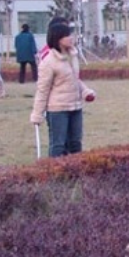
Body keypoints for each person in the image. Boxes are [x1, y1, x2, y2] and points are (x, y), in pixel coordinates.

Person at [29, 22, 96, 158]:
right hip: (58, 109)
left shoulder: (73, 56)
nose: (71, 38)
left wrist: (85, 91)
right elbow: (42, 90)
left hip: (75, 107)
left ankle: (77, 173)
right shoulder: (48, 62)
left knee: (75, 144)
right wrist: (37, 114)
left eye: (70, 34)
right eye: (66, 35)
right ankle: (55, 173)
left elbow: (74, 79)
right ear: (57, 39)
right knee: (58, 145)